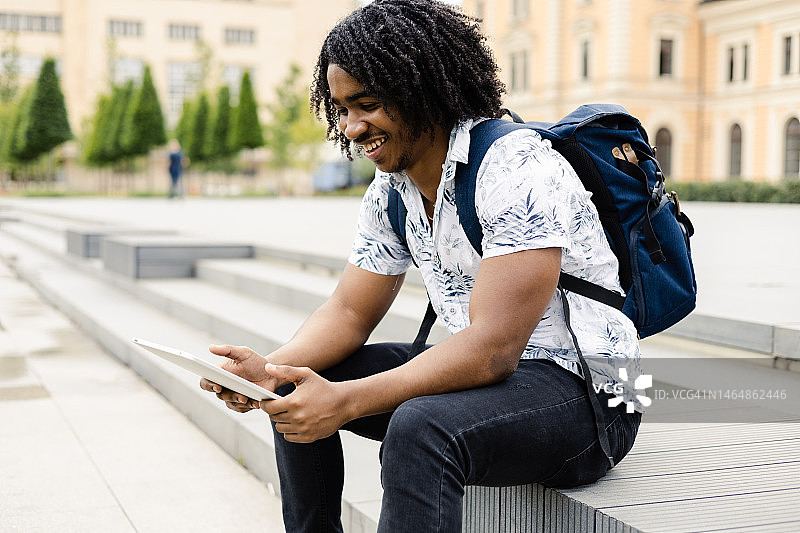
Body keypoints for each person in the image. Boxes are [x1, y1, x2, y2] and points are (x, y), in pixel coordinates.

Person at [200, 1, 643, 531]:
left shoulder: (518, 169)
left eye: (367, 104)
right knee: (298, 387)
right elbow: (347, 311)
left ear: (421, 90)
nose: (353, 127)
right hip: (487, 383)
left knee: (420, 426)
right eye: (342, 109)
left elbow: (493, 350)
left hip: (590, 401)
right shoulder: (392, 190)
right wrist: (269, 373)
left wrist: (344, 401)